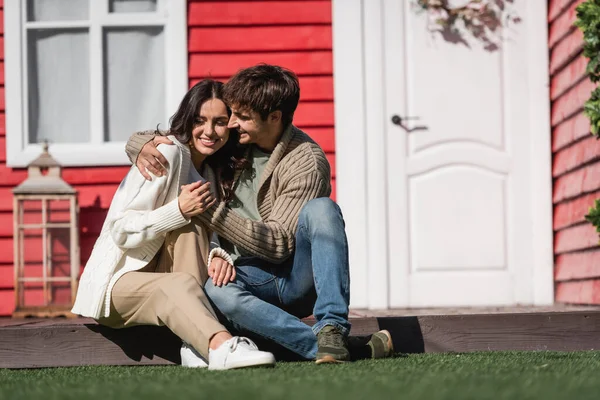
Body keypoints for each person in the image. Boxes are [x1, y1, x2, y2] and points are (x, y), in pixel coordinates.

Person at [126, 64, 394, 364]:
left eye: (242, 117)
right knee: (217, 290)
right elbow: (183, 134)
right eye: (233, 115)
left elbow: (279, 245)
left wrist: (206, 209)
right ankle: (340, 348)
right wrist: (140, 143)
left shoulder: (305, 160)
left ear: (274, 117)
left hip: (293, 278)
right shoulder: (231, 145)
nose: (231, 124)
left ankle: (332, 328)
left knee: (323, 209)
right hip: (244, 277)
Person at [71, 79, 276, 370]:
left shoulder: (212, 172)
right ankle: (220, 346)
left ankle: (193, 344)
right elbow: (121, 229)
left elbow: (208, 233)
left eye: (219, 122)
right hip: (118, 284)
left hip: (167, 276)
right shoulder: (167, 153)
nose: (209, 131)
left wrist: (217, 253)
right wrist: (177, 209)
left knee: (191, 226)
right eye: (200, 120)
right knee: (178, 270)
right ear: (187, 119)